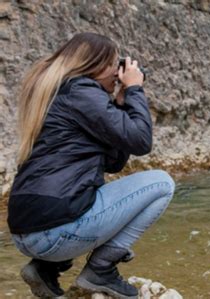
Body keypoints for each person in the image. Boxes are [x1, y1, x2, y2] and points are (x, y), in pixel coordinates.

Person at [7, 32, 175, 298]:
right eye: (114, 64)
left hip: (26, 233)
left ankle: (45, 269)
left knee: (90, 197)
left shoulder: (59, 94)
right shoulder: (81, 92)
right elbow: (141, 141)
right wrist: (134, 89)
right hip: (54, 233)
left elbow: (114, 162)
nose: (117, 71)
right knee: (162, 183)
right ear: (95, 65)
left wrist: (120, 104)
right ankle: (101, 269)